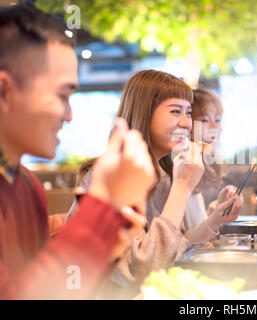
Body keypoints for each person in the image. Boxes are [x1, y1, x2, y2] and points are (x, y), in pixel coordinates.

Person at [0, 4, 156, 299]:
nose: (69, 115)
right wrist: (102, 205)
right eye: (62, 95)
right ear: (5, 92)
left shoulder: (26, 186)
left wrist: (109, 242)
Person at [67, 70, 242, 298]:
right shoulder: (109, 177)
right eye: (175, 112)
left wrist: (211, 222)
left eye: (188, 112)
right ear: (144, 113)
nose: (186, 123)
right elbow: (143, 269)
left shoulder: (163, 174)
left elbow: (171, 248)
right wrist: (182, 187)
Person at [182, 88, 243, 244]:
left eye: (218, 120)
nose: (215, 128)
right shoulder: (179, 172)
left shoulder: (196, 167)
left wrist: (218, 207)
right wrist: (213, 221)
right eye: (204, 120)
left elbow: (195, 228)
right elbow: (177, 247)